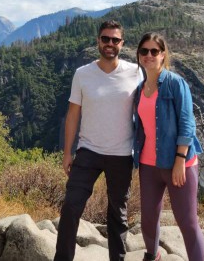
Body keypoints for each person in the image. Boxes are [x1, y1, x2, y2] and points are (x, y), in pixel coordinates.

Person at [54, 20, 143, 261]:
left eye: (115, 40)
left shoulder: (135, 72)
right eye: (106, 39)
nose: (110, 44)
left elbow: (147, 111)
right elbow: (73, 114)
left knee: (118, 215)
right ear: (98, 41)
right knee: (71, 207)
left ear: (122, 43)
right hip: (88, 151)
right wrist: (67, 153)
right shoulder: (82, 74)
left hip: (122, 154)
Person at [133, 32, 204, 261]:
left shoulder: (175, 83)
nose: (149, 55)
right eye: (144, 51)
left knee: (187, 222)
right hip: (148, 164)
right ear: (139, 55)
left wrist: (179, 161)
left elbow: (187, 124)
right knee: (148, 219)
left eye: (154, 51)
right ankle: (153, 255)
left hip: (178, 163)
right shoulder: (140, 89)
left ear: (163, 55)